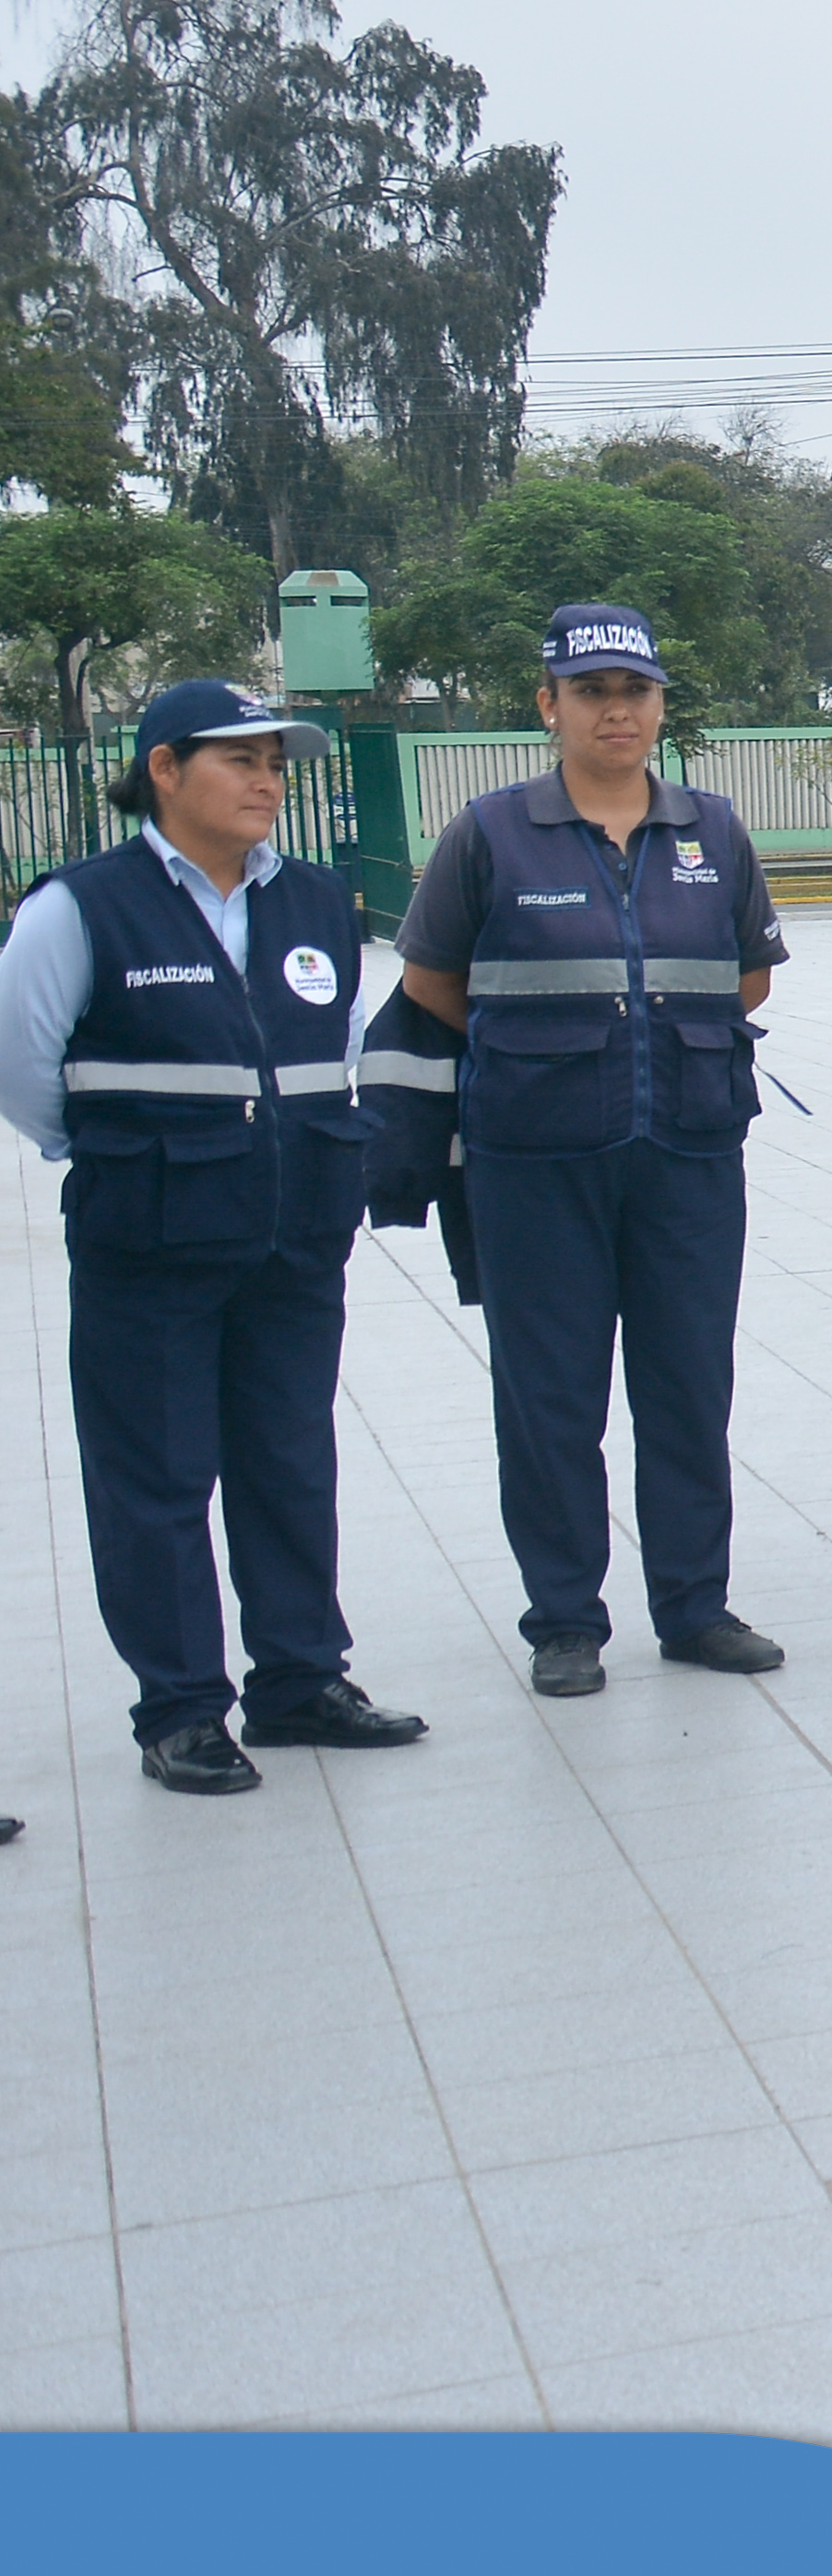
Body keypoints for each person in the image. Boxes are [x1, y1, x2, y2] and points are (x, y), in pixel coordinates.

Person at [0, 677, 424, 1792]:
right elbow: (23, 1070)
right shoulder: (81, 906)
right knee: (156, 1478)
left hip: (294, 1237)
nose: (265, 781)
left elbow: (322, 1057)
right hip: (150, 1238)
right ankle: (181, 1708)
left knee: (289, 1462)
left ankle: (298, 1681)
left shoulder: (322, 904)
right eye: (240, 759)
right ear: (164, 769)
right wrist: (118, 1154)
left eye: (277, 764)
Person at [381, 603, 794, 1694]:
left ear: (660, 705)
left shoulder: (714, 830)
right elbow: (432, 980)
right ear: (548, 705)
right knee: (550, 1395)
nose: (617, 710)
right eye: (593, 692)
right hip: (535, 1158)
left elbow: (749, 973)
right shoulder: (490, 832)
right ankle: (564, 1619)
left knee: (688, 1386)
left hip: (690, 1150)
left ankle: (695, 1609)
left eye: (636, 692)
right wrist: (548, 1051)